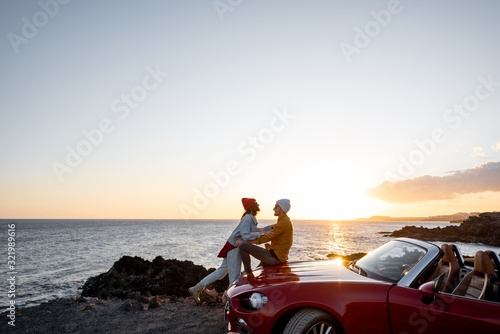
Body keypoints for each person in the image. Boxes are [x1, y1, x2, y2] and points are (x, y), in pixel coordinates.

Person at [188, 198, 274, 303]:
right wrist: (262, 233)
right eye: (256, 203)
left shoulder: (250, 218)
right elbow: (246, 235)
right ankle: (231, 303)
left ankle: (196, 288)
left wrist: (270, 227)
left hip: (233, 246)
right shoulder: (247, 218)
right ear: (252, 206)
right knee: (234, 278)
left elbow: (255, 231)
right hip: (234, 248)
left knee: (221, 272)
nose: (258, 204)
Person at [237, 199, 293, 274]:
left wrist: (244, 241)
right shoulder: (283, 221)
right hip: (275, 254)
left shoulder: (283, 223)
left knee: (243, 246)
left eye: (276, 207)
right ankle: (249, 275)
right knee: (257, 272)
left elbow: (265, 238)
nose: (274, 208)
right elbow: (269, 234)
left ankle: (247, 272)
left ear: (282, 209)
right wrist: (268, 229)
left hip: (274, 257)